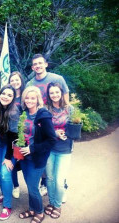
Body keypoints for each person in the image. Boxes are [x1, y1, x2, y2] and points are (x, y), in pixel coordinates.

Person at [26, 54, 70, 196]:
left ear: (46, 64)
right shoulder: (30, 84)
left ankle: (61, 184)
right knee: (44, 155)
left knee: (56, 159)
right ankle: (45, 183)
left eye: (40, 63)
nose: (38, 66)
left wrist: (65, 124)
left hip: (55, 121)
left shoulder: (57, 79)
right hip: (38, 124)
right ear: (32, 67)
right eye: (35, 64)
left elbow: (66, 103)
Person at [18, 86, 56, 223]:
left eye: (32, 98)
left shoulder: (43, 116)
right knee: (29, 185)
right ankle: (32, 209)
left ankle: (39, 211)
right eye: (27, 98)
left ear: (38, 99)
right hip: (23, 156)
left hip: (37, 157)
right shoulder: (23, 113)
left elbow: (52, 140)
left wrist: (32, 148)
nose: (29, 100)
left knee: (33, 187)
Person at [44, 82, 74, 219]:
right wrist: (55, 133)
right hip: (49, 148)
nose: (54, 95)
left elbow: (76, 127)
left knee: (59, 180)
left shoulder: (70, 109)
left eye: (57, 92)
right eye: (51, 93)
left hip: (64, 149)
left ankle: (57, 205)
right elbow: (42, 127)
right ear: (49, 95)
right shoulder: (46, 109)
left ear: (61, 93)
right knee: (49, 178)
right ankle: (51, 202)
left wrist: (66, 133)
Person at [0, 84, 20, 220]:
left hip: (9, 146)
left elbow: (13, 137)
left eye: (10, 95)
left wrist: (8, 157)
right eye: (4, 93)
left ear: (13, 98)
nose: (6, 96)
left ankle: (7, 205)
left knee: (5, 173)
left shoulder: (14, 112)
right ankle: (5, 192)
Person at [8, 71, 25, 199]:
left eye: (17, 80)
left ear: (21, 81)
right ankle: (15, 186)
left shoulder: (25, 96)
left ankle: (42, 184)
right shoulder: (8, 95)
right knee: (12, 162)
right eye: (12, 80)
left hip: (25, 134)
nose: (14, 82)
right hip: (11, 133)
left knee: (27, 161)